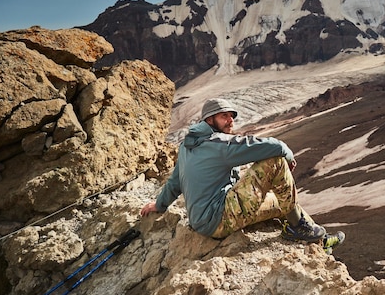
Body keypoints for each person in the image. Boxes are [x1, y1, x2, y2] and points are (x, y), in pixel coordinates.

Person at [141, 98, 344, 252]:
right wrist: (288, 155)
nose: (231, 120)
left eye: (232, 116)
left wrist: (159, 205)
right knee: (274, 161)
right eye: (224, 116)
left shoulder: (188, 145)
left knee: (277, 201)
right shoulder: (218, 144)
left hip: (200, 221)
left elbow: (175, 181)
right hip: (218, 220)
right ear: (209, 120)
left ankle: (319, 240)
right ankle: (300, 229)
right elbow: (273, 146)